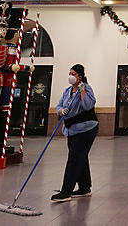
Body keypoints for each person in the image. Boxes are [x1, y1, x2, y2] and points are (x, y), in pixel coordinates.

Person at [50, 64, 98, 203]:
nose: (70, 76)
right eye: (69, 73)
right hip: (71, 130)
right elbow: (59, 105)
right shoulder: (67, 91)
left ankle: (66, 191)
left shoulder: (87, 89)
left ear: (80, 77)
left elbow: (88, 105)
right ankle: (84, 188)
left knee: (74, 159)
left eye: (73, 74)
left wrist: (82, 91)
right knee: (80, 156)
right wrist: (60, 111)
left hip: (86, 128)